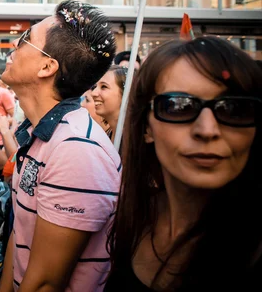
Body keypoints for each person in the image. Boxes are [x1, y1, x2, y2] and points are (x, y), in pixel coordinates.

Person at [105, 37, 262, 291]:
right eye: (178, 107)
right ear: (146, 127)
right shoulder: (132, 216)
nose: (208, 129)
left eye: (233, 108)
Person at [0, 1, 121, 292]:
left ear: (46, 67)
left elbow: (45, 283)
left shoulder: (76, 150)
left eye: (26, 38)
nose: (16, 43)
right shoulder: (42, 134)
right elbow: (20, 238)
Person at [91, 65, 129, 141]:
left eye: (104, 87)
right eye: (95, 86)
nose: (93, 93)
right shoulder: (107, 135)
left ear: (125, 94)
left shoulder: (134, 140)